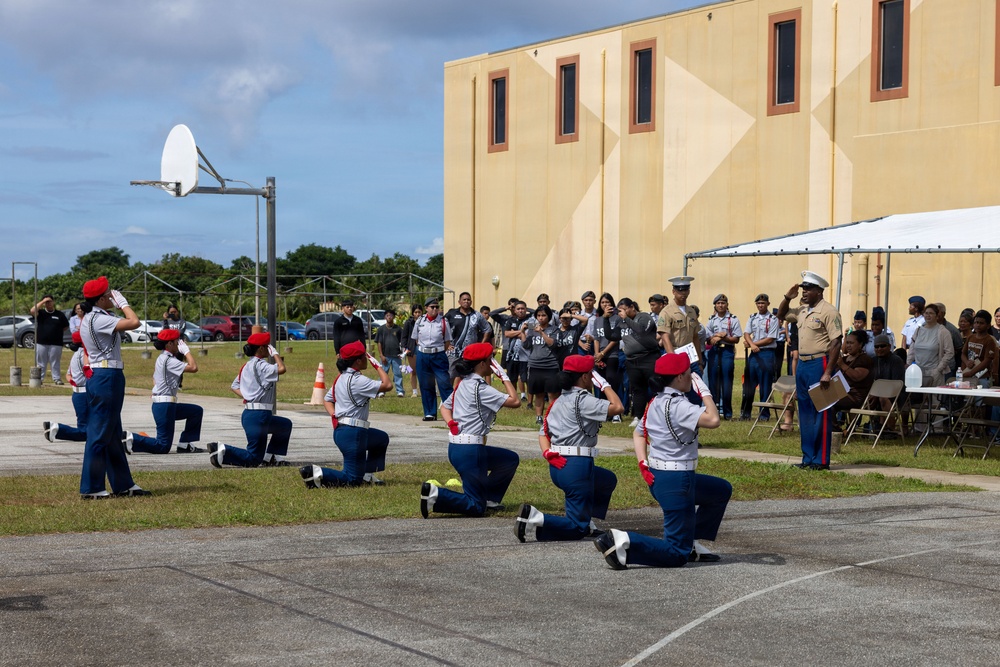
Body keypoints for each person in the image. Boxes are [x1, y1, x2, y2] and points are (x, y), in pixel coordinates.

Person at [593, 353, 731, 569]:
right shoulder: (679, 406)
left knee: (719, 491)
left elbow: (639, 434)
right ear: (678, 378)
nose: (692, 377)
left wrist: (642, 463)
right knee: (677, 554)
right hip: (677, 481)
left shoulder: (655, 401)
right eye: (689, 374)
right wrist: (704, 391)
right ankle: (623, 541)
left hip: (661, 476)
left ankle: (691, 541)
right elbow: (713, 419)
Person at [515, 355, 624, 542]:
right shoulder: (583, 400)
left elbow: (543, 433)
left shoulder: (558, 401)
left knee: (606, 480)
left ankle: (585, 519)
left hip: (559, 466)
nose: (592, 378)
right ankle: (535, 517)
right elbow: (618, 407)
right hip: (577, 467)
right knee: (577, 529)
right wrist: (604, 384)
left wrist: (547, 452)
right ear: (583, 377)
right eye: (591, 375)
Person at [420, 343, 521, 518]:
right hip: (471, 452)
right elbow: (515, 401)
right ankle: (435, 495)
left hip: (459, 449)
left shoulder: (463, 384)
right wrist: (504, 377)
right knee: (476, 507)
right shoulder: (480, 388)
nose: (492, 363)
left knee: (509, 460)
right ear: (481, 364)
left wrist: (451, 422)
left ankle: (490, 498)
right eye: (490, 360)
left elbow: (444, 407)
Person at [77, 276, 147, 499]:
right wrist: (124, 303)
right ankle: (91, 487)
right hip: (107, 376)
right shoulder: (98, 319)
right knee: (99, 433)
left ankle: (123, 484)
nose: (112, 296)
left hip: (106, 374)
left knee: (113, 432)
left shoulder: (96, 316)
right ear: (100, 298)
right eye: (109, 294)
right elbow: (135, 322)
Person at [300, 340, 393, 488]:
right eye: (364, 356)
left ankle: (367, 474)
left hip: (344, 431)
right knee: (352, 480)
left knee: (381, 439)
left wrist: (334, 415)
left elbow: (327, 399)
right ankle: (316, 473)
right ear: (357, 361)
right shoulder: (358, 380)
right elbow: (388, 385)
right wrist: (378, 366)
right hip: (354, 434)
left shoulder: (341, 378)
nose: (367, 359)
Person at [777, 271, 843, 470]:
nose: (804, 292)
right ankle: (807, 458)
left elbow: (836, 342)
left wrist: (828, 372)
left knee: (821, 412)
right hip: (803, 364)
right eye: (803, 289)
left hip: (820, 363)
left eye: (808, 289)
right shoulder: (802, 310)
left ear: (819, 291)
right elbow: (781, 315)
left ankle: (821, 460)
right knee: (804, 412)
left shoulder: (829, 312)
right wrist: (787, 297)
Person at [208, 332, 291, 467]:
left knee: (284, 425)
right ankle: (222, 450)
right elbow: (282, 369)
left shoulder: (246, 366)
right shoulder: (261, 365)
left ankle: (270, 458)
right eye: (267, 346)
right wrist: (275, 353)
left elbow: (234, 386)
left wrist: (249, 396)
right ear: (261, 349)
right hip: (259, 416)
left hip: (252, 414)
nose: (268, 348)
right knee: (253, 459)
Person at [125, 329, 204, 455]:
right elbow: (194, 367)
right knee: (162, 446)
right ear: (169, 344)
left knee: (195, 411)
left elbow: (154, 379)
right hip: (165, 405)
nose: (179, 344)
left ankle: (185, 444)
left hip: (165, 404)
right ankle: (131, 438)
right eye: (177, 341)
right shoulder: (169, 361)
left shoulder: (162, 358)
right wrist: (187, 352)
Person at [617, 297, 661, 422]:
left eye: (625, 310)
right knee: (637, 389)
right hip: (632, 360)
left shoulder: (644, 317)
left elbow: (641, 331)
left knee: (655, 386)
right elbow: (612, 335)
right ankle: (638, 416)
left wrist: (626, 318)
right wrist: (605, 318)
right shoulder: (623, 321)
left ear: (632, 307)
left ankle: (657, 415)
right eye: (621, 311)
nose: (623, 313)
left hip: (648, 357)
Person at [43, 331, 91, 443]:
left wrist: (76, 383)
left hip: (77, 394)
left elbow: (68, 375)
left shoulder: (75, 355)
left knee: (89, 429)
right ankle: (57, 429)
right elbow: (89, 372)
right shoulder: (85, 355)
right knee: (86, 432)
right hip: (85, 394)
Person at [412, 297, 454, 421]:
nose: (435, 309)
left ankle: (451, 411)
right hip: (423, 355)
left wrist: (438, 351)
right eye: (432, 307)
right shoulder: (420, 321)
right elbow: (416, 339)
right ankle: (430, 412)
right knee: (426, 384)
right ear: (426, 308)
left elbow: (447, 341)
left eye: (437, 307)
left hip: (439, 355)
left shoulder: (443, 321)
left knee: (444, 383)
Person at [519, 305, 560, 424]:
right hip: (535, 365)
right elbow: (526, 345)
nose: (541, 318)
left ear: (549, 316)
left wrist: (542, 333)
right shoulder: (532, 330)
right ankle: (539, 417)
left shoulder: (554, 330)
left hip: (550, 366)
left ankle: (552, 417)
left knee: (552, 393)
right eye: (538, 316)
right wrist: (522, 332)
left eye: (543, 315)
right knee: (539, 393)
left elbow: (552, 344)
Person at [704, 294, 742, 420]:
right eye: (718, 303)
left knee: (727, 382)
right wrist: (714, 338)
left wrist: (723, 337)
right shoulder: (711, 319)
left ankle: (728, 413)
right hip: (714, 351)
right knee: (713, 381)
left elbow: (736, 339)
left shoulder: (733, 319)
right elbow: (708, 339)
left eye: (723, 303)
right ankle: (714, 411)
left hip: (727, 351)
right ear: (715, 305)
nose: (721, 305)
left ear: (727, 305)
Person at [742, 294, 779, 421]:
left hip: (766, 354)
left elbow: (770, 339)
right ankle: (746, 413)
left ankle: (764, 414)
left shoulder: (773, 319)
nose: (760, 305)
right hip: (754, 354)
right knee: (749, 384)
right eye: (758, 303)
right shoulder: (753, 317)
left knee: (765, 385)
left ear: (768, 304)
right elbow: (746, 333)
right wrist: (752, 344)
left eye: (763, 303)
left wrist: (752, 344)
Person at [657, 276, 704, 374]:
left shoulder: (691, 311)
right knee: (678, 387)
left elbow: (695, 337)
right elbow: (665, 338)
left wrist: (700, 361)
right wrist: (673, 360)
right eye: (679, 290)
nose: (683, 293)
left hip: (691, 357)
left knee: (695, 387)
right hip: (675, 354)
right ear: (673, 291)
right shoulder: (666, 312)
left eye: (686, 290)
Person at [445, 291, 492, 381]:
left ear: (471, 302)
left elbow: (487, 329)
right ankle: (449, 395)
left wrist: (481, 345)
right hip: (453, 352)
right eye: (464, 300)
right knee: (450, 375)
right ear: (459, 302)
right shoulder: (452, 313)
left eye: (468, 300)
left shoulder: (477, 315)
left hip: (470, 352)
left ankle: (466, 394)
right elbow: (442, 327)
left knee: (468, 376)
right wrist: (446, 344)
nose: (466, 301)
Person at [906, 303, 954, 388]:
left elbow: (949, 352)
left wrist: (939, 369)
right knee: (919, 398)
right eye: (926, 313)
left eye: (931, 313)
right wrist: (908, 365)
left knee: (933, 399)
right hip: (918, 372)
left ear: (937, 316)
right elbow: (912, 350)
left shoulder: (943, 332)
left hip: (934, 372)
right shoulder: (918, 330)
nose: (928, 315)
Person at [493, 300, 531, 402]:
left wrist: (515, 333)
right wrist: (522, 331)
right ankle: (514, 397)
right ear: (514, 310)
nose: (521, 311)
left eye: (523, 309)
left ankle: (529, 400)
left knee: (526, 378)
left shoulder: (530, 319)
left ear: (526, 309)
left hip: (526, 354)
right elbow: (507, 334)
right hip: (512, 354)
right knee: (512, 377)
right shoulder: (510, 320)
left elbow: (530, 334)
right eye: (518, 309)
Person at [832, 330, 874, 420]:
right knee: (820, 400)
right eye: (847, 343)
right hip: (841, 394)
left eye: (851, 343)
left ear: (860, 344)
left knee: (829, 403)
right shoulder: (844, 359)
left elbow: (857, 377)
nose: (848, 346)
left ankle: (836, 430)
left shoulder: (864, 359)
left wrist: (842, 365)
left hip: (855, 397)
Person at [871, 333, 907, 436]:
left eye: (882, 346)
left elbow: (897, 383)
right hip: (877, 394)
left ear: (889, 347)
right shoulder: (873, 361)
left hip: (896, 395)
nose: (879, 349)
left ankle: (890, 428)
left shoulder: (896, 361)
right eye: (876, 346)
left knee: (883, 398)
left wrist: (878, 392)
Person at [31, 294, 70, 385]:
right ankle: (39, 378)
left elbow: (65, 326)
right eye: (46, 302)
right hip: (41, 342)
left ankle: (57, 379)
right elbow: (32, 310)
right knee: (41, 362)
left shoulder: (59, 314)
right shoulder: (40, 313)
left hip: (56, 343)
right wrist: (43, 301)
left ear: (53, 302)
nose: (48, 304)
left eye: (50, 301)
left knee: (55, 361)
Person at [961, 310, 997, 387]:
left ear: (988, 325)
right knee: (967, 398)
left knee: (979, 398)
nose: (978, 325)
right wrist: (967, 362)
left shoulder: (989, 340)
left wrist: (971, 373)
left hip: (981, 377)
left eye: (981, 323)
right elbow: (963, 354)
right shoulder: (971, 337)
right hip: (967, 373)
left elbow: (987, 360)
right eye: (976, 322)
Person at [375, 308, 405, 397]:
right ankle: (381, 391)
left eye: (391, 315)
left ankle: (399, 391)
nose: (389, 317)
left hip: (396, 355)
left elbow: (402, 342)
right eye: (387, 315)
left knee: (398, 374)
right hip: (385, 356)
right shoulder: (381, 329)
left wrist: (402, 353)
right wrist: (381, 355)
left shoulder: (398, 329)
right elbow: (379, 342)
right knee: (383, 373)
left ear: (394, 317)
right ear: (385, 317)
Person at [934, 303, 963, 378]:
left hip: (947, 368)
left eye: (938, 311)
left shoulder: (952, 329)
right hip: (929, 366)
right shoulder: (924, 327)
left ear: (943, 313)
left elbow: (958, 348)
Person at [401, 305, 422, 397]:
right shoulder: (408, 323)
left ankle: (425, 390)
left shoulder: (426, 322)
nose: (417, 314)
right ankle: (414, 391)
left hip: (423, 348)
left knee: (423, 370)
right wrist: (404, 348)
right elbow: (404, 337)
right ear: (413, 313)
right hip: (411, 349)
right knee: (412, 370)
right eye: (415, 312)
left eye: (419, 312)